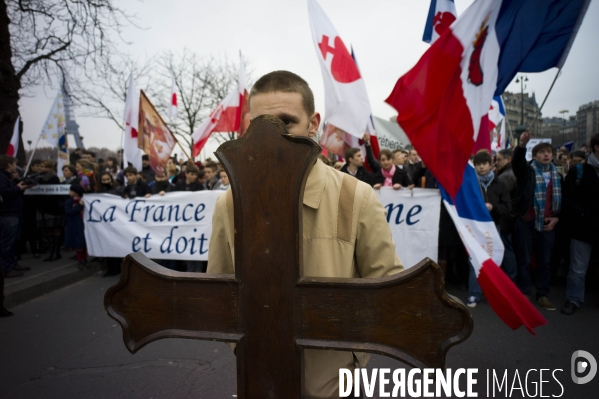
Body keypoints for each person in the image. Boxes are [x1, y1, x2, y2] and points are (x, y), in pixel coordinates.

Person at [207, 70, 403, 399]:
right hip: (260, 383)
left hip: (337, 386)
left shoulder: (355, 197)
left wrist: (352, 358)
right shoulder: (230, 203)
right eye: (260, 125)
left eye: (286, 122)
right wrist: (252, 351)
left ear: (313, 123)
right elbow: (220, 294)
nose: (273, 137)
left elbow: (388, 291)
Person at [513, 131, 562, 311]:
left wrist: (557, 217)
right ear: (534, 156)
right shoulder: (527, 172)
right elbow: (517, 164)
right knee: (524, 259)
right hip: (527, 221)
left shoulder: (558, 176)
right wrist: (521, 146)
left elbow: (564, 202)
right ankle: (524, 292)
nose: (546, 155)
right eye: (542, 152)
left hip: (548, 223)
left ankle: (543, 294)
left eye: (549, 152)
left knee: (545, 261)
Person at [467, 151, 511, 308]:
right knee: (475, 260)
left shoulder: (500, 184)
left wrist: (493, 207)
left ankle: (492, 294)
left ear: (491, 164)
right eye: (478, 164)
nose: (481, 166)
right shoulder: (471, 184)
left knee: (492, 260)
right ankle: (474, 293)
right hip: (474, 228)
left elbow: (507, 207)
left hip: (493, 227)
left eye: (484, 163)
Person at [561, 134, 599, 315]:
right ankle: (573, 299)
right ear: (596, 147)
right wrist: (582, 214)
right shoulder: (579, 171)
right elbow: (567, 199)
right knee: (577, 268)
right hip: (583, 229)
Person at [0, 155, 31, 281]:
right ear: (8, 165)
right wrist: (17, 188)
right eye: (13, 163)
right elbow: (4, 192)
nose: (15, 166)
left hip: (15, 213)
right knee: (7, 243)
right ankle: (6, 269)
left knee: (14, 242)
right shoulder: (1, 177)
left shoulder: (8, 177)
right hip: (8, 214)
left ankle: (13, 264)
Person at [495, 149, 518, 283]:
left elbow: (498, 198)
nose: (496, 162)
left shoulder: (506, 177)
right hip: (508, 217)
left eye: (499, 159)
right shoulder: (508, 173)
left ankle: (510, 278)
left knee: (506, 248)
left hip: (504, 218)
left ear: (508, 159)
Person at [64, 184, 88, 270]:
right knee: (78, 245)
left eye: (71, 191)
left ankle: (85, 259)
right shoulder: (69, 202)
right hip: (74, 225)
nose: (69, 193)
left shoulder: (84, 200)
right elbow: (69, 212)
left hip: (83, 225)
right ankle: (80, 261)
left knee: (83, 244)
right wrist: (79, 206)